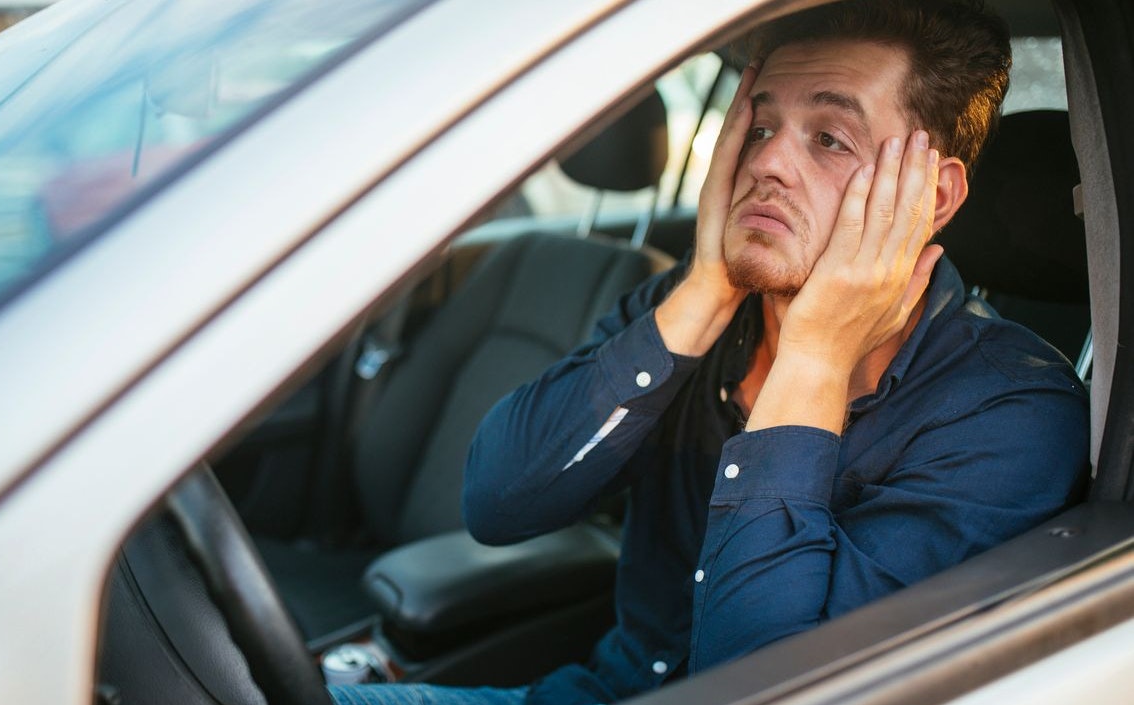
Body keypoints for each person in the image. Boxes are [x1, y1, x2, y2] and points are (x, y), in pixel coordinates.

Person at [330, 1, 1089, 704]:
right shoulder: (701, 311)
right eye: (760, 128)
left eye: (828, 138)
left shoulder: (1011, 416)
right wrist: (701, 291)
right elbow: (496, 501)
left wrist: (814, 360)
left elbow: (761, 680)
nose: (769, 164)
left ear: (934, 196)